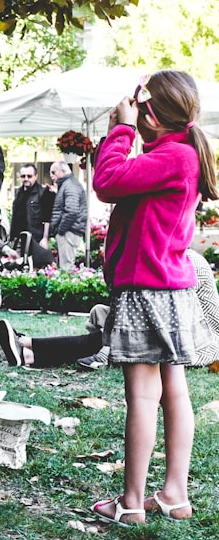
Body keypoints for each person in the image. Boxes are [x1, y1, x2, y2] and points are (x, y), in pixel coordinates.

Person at [87, 70, 217, 526]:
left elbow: (106, 181)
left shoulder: (173, 156)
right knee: (173, 391)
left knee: (143, 397)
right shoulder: (178, 154)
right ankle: (174, 495)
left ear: (152, 114)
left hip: (148, 289)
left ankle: (130, 502)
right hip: (171, 288)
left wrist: (120, 130)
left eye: (138, 109)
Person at [0, 249, 219, 370]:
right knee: (102, 339)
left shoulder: (189, 263)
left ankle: (27, 348)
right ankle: (26, 350)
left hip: (191, 346)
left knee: (102, 341)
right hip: (169, 340)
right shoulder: (167, 259)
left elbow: (199, 320)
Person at [8, 163, 54, 269]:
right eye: (23, 176)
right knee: (19, 267)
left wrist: (45, 238)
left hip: (36, 237)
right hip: (20, 238)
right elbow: (15, 216)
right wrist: (12, 237)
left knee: (38, 267)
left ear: (36, 176)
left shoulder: (43, 192)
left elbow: (48, 217)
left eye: (29, 176)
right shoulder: (18, 192)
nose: (26, 179)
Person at [49, 160, 88, 271]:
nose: (51, 175)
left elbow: (72, 211)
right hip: (70, 231)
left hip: (69, 232)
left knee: (66, 268)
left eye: (53, 172)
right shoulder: (69, 184)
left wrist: (60, 230)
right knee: (65, 267)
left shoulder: (70, 185)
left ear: (63, 171)